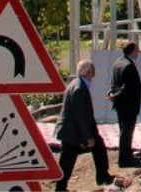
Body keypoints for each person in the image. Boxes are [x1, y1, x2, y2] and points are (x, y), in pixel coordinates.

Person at [55, 60, 112, 191]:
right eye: (92, 69)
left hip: (74, 130)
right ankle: (60, 188)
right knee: (67, 161)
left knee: (99, 147)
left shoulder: (78, 84)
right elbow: (80, 115)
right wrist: (87, 137)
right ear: (88, 72)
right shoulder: (79, 88)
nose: (94, 72)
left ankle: (102, 176)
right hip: (72, 131)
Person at [108, 42, 141, 168]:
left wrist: (112, 94)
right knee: (127, 132)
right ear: (132, 50)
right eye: (137, 50)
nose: (138, 52)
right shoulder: (128, 66)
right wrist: (115, 95)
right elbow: (127, 87)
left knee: (124, 130)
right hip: (128, 104)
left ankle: (126, 155)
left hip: (120, 104)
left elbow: (114, 83)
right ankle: (124, 159)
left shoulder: (118, 62)